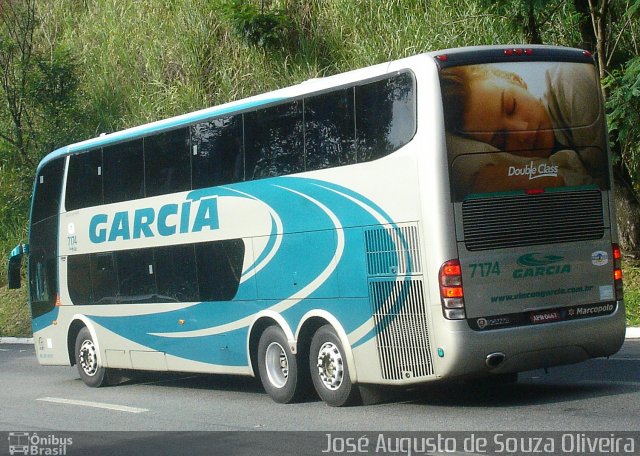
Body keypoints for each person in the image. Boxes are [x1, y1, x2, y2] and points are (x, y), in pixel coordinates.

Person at [441, 63, 607, 196]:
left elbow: (609, 195)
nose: (524, 132)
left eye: (512, 107)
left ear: (516, 79)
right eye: (502, 140)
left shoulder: (569, 80)